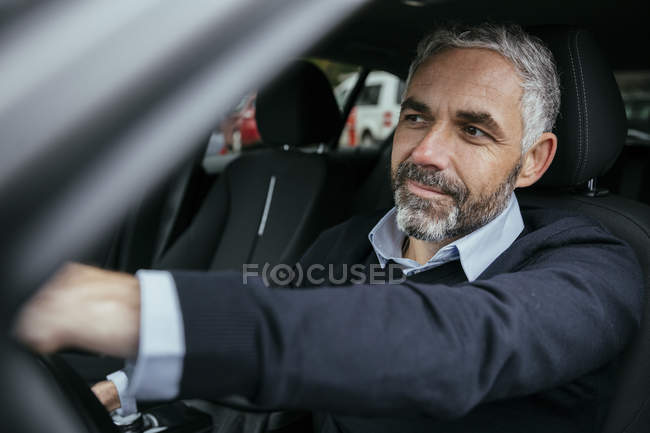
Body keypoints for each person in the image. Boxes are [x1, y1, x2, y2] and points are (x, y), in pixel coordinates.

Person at [14, 23, 643, 432]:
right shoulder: (349, 242)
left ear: (533, 160)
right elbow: (288, 331)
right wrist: (120, 390)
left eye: (474, 130)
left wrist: (129, 310)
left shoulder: (593, 270)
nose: (426, 151)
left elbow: (452, 345)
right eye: (417, 117)